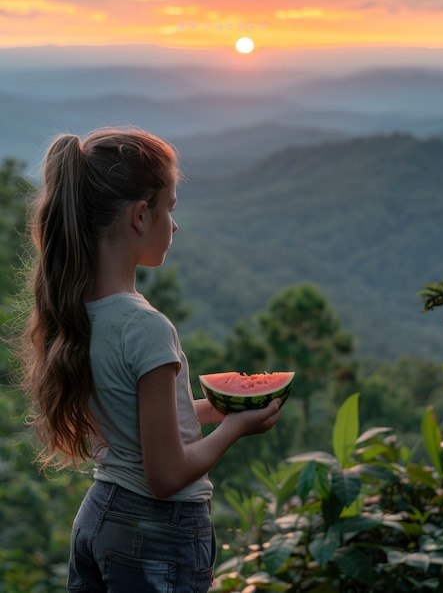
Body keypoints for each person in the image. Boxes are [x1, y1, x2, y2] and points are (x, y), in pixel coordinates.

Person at [17, 128, 283, 592]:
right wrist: (234, 428)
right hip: (156, 531)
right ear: (141, 215)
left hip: (100, 516)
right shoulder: (146, 327)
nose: (174, 225)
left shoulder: (76, 315)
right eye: (170, 209)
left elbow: (141, 423)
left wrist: (219, 408)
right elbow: (166, 475)